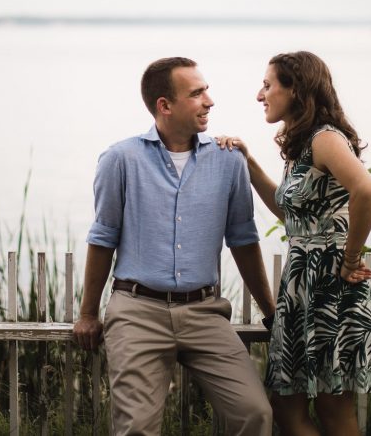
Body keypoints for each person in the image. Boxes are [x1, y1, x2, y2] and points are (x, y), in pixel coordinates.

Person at [72, 56, 277, 436]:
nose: (209, 101)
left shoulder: (229, 160)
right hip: (137, 312)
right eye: (197, 93)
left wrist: (271, 312)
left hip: (204, 313)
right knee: (137, 429)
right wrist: (88, 313)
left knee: (255, 414)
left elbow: (244, 241)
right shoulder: (120, 159)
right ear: (164, 105)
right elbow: (102, 238)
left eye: (207, 90)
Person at [218, 51, 371, 436]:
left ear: (295, 90)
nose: (260, 94)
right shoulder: (301, 146)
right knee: (285, 406)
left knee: (333, 411)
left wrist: (350, 259)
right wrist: (248, 162)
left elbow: (367, 191)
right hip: (302, 291)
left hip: (332, 289)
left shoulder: (326, 139)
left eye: (267, 85)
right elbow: (291, 216)